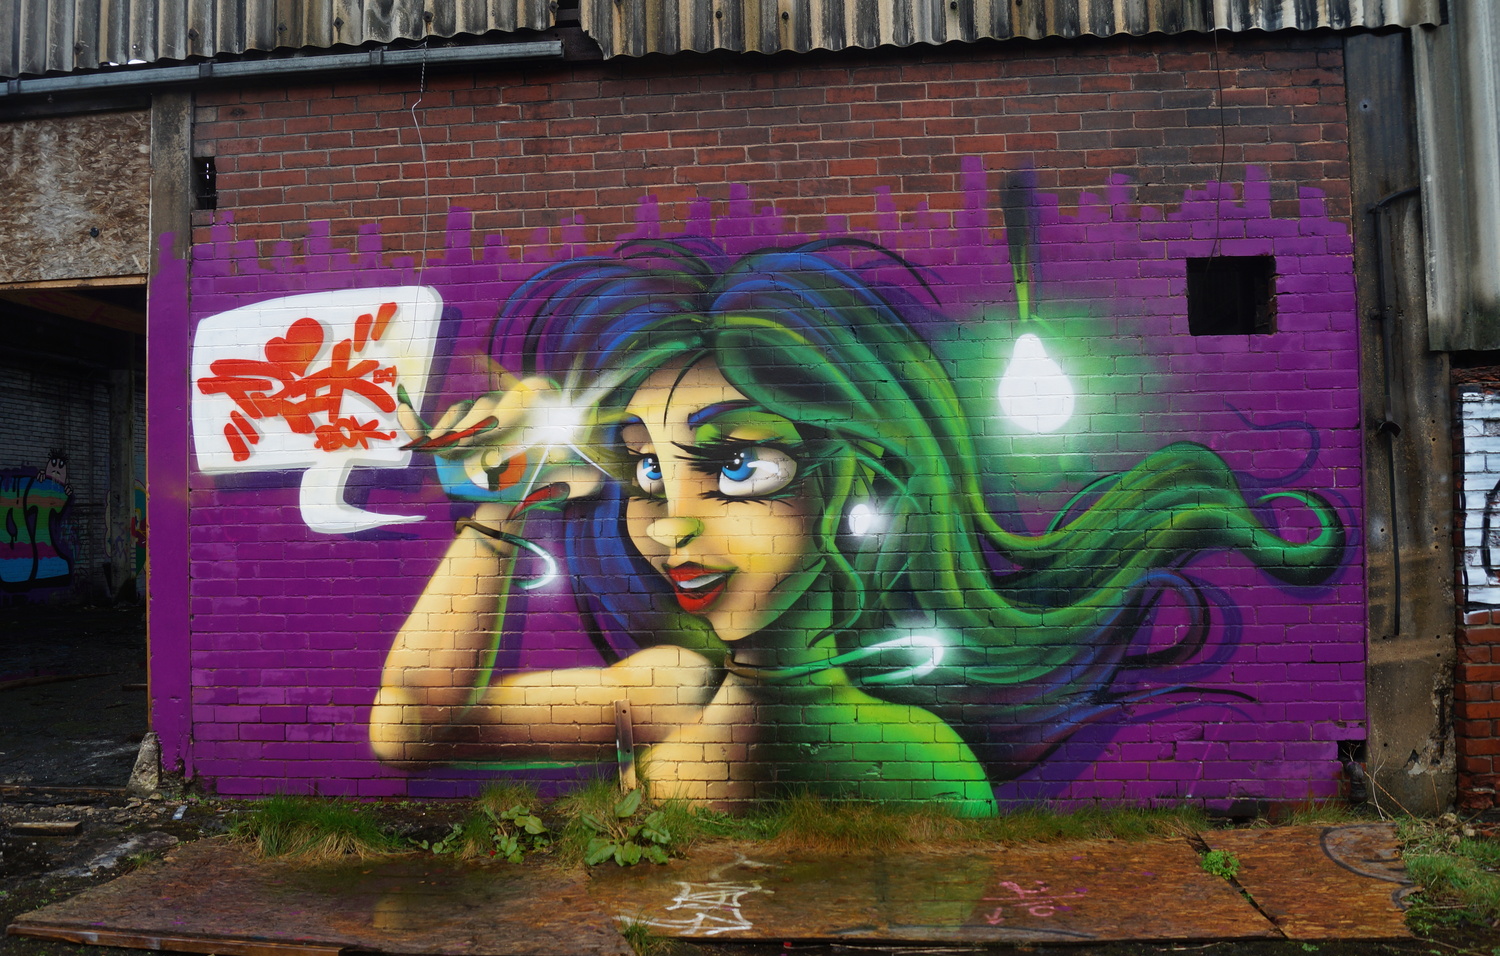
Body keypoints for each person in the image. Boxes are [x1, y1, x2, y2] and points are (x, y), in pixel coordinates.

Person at [369, 238, 1345, 816]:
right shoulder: (671, 685)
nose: (668, 526)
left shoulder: (921, 765)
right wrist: (500, 508)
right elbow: (413, 727)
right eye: (648, 470)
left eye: (737, 464)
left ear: (854, 481)